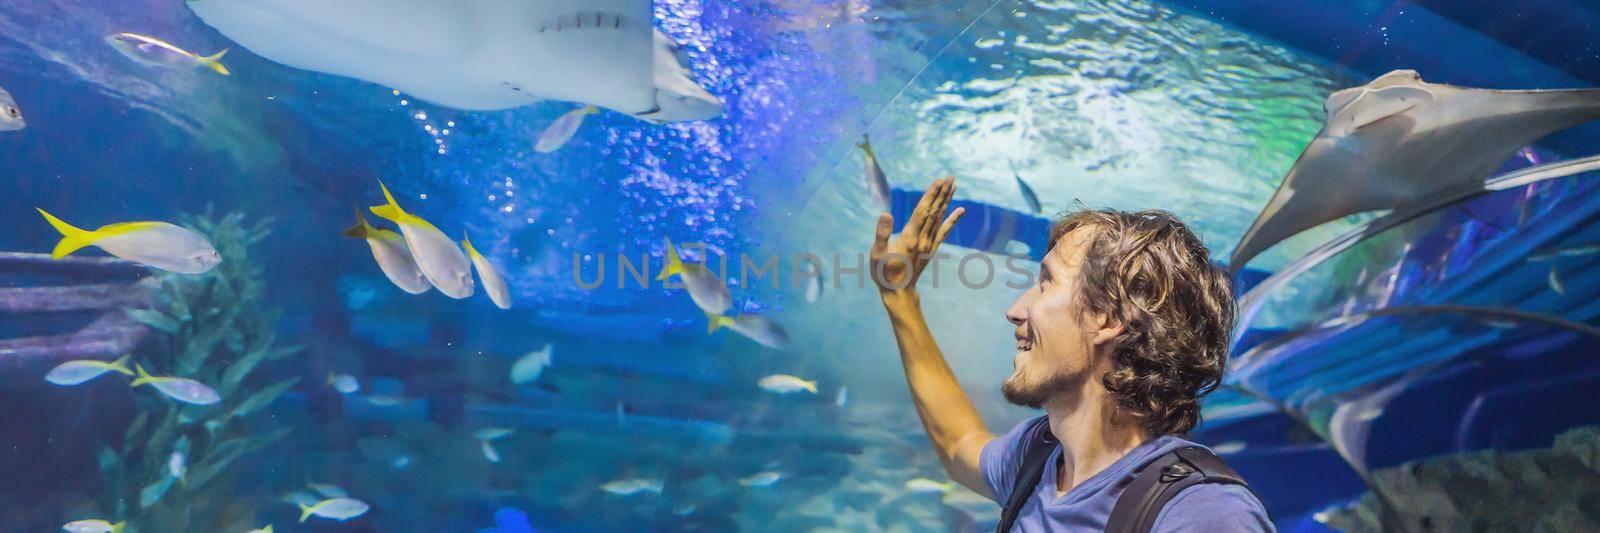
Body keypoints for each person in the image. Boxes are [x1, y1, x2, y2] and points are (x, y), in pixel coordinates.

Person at [870, 177, 1274, 532]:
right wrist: (900, 299)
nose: (1015, 310)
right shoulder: (1039, 458)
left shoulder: (1201, 516)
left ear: (1108, 318)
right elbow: (960, 444)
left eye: (1046, 283)